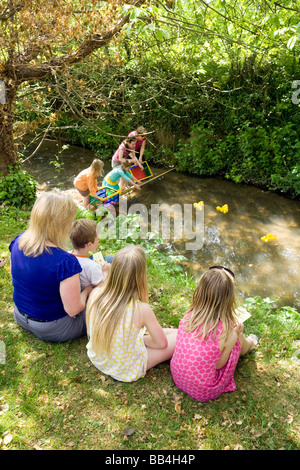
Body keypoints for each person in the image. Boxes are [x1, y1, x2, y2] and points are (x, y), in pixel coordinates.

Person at [9, 191, 93, 343]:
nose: (71, 225)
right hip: (54, 328)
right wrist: (88, 290)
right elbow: (73, 310)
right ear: (61, 225)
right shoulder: (65, 261)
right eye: (70, 221)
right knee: (100, 295)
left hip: (20, 315)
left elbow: (19, 277)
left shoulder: (18, 242)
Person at [86, 245, 178, 382]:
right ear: (140, 276)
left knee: (168, 333)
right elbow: (162, 345)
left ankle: (142, 340)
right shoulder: (141, 309)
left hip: (98, 357)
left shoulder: (96, 293)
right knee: (178, 336)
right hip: (125, 368)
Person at [170, 266, 258, 401]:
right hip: (203, 390)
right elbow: (218, 365)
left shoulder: (189, 315)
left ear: (200, 291)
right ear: (229, 299)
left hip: (178, 377)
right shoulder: (227, 332)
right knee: (233, 343)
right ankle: (250, 343)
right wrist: (234, 336)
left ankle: (249, 343)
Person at [69, 218, 111, 290]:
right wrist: (106, 272)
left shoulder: (68, 254)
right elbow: (102, 286)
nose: (99, 241)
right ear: (89, 244)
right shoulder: (93, 267)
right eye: (97, 239)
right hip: (91, 291)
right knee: (110, 259)